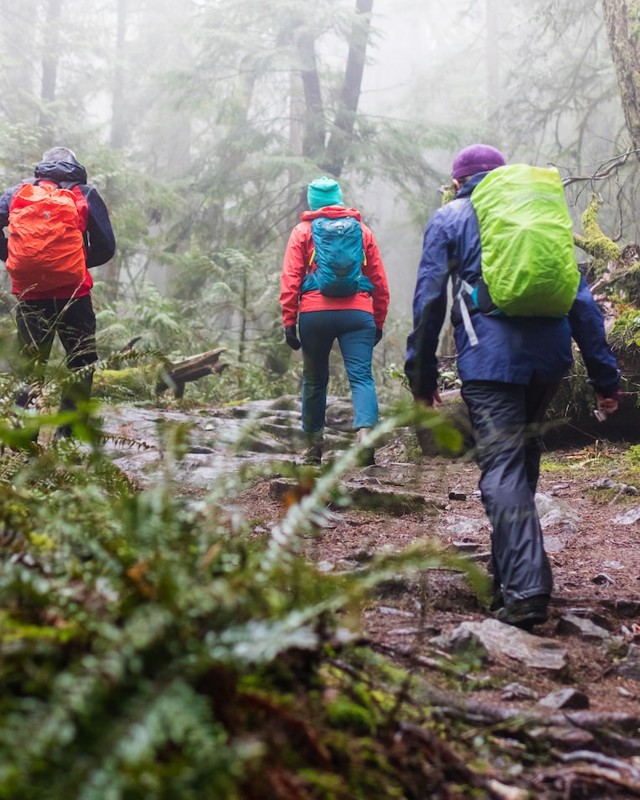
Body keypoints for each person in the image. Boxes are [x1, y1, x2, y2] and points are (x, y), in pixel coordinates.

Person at [405, 144, 620, 630]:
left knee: (501, 465)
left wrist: (420, 379)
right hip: (550, 358)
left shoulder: (452, 217)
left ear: (457, 181)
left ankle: (525, 590)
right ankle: (508, 576)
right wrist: (606, 378)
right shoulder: (537, 215)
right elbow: (581, 301)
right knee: (522, 458)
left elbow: (428, 302)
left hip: (489, 359)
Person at [0, 146, 116, 442]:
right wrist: (72, 262)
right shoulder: (84, 194)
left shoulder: (18, 193)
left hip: (30, 294)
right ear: (75, 166)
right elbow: (106, 247)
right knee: (82, 362)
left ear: (43, 168)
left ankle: (24, 441)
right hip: (75, 295)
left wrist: (11, 256)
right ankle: (68, 436)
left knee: (31, 366)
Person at [280, 176, 390, 465]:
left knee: (315, 381)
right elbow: (378, 279)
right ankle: (365, 433)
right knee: (361, 377)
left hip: (315, 315)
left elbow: (291, 277)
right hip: (358, 313)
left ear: (312, 202)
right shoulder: (362, 231)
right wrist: (377, 320)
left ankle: (313, 447)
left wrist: (289, 320)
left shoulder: (302, 231)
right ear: (339, 199)